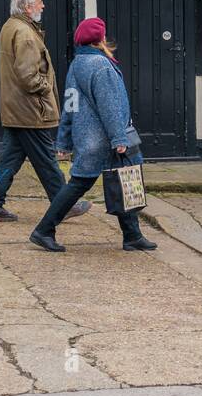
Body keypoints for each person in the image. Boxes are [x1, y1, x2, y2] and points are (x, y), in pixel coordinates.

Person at [30, 17, 157, 254]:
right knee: (85, 183)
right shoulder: (101, 66)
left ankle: (133, 235)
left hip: (87, 139)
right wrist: (119, 138)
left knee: (124, 179)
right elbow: (110, 106)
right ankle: (44, 230)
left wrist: (65, 140)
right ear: (100, 40)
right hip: (106, 138)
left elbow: (70, 104)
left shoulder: (77, 64)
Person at [0, 0, 91, 223]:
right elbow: (28, 75)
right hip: (30, 109)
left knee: (10, 158)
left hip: (15, 109)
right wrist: (46, 86)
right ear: (27, 6)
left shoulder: (10, 26)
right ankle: (64, 204)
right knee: (47, 160)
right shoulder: (25, 33)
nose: (43, 6)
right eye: (40, 2)